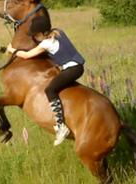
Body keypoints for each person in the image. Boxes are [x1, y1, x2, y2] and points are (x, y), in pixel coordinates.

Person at [7, 16, 85, 146]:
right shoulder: (59, 32)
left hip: (71, 69)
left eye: (35, 36)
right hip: (78, 67)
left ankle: (61, 126)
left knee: (50, 90)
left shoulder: (46, 43)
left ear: (40, 34)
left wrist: (12, 50)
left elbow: (26, 55)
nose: (35, 38)